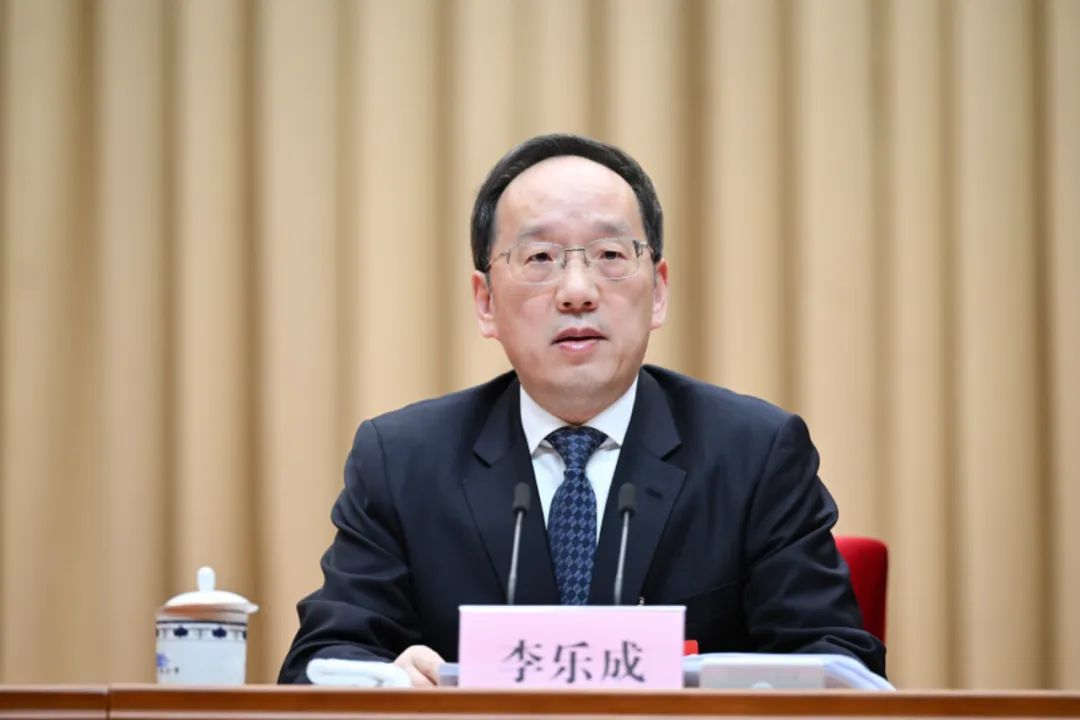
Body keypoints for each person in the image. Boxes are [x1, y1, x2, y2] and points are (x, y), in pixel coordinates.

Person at [278, 133, 886, 685]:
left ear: (659, 290)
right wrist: (389, 683)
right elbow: (319, 665)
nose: (577, 291)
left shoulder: (755, 454)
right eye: (540, 258)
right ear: (486, 302)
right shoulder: (402, 461)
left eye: (610, 255)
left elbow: (838, 666)